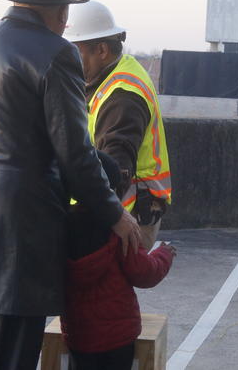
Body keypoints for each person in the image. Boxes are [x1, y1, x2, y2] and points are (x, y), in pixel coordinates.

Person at [0, 0, 141, 370]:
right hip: (20, 230)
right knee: (13, 352)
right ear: (60, 11)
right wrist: (114, 212)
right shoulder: (55, 54)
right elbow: (75, 153)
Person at [65, 0, 172, 249]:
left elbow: (115, 170)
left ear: (101, 50)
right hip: (118, 210)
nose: (68, 58)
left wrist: (91, 218)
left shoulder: (123, 96)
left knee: (103, 288)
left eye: (74, 50)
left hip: (126, 215)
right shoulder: (105, 78)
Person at [63, 150, 175, 370]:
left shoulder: (63, 225)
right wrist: (165, 254)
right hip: (119, 336)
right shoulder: (120, 228)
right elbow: (145, 273)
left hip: (79, 334)